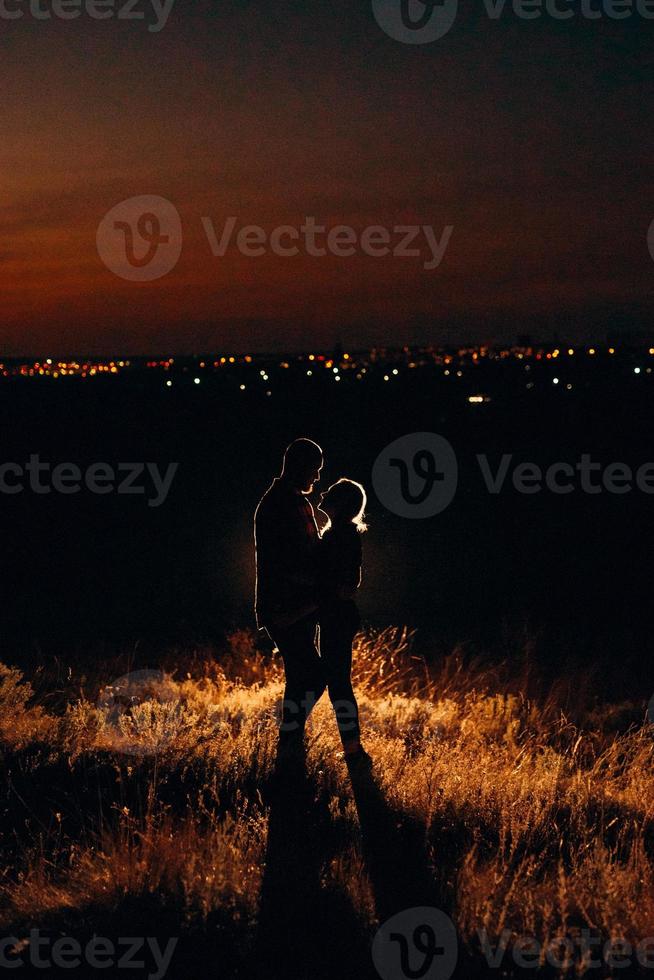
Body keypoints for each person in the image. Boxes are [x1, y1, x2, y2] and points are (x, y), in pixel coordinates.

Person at [254, 438, 325, 746]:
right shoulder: (283, 503)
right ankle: (289, 738)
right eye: (315, 469)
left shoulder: (290, 500)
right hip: (288, 607)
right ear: (301, 466)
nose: (317, 477)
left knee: (301, 677)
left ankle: (291, 744)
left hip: (296, 605)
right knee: (312, 675)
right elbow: (285, 559)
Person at [317, 478, 371, 767]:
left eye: (331, 493)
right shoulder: (342, 533)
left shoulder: (341, 536)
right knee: (337, 683)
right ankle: (353, 750)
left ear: (340, 504)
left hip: (337, 617)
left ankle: (354, 751)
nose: (323, 493)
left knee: (337, 684)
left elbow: (346, 583)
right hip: (340, 616)